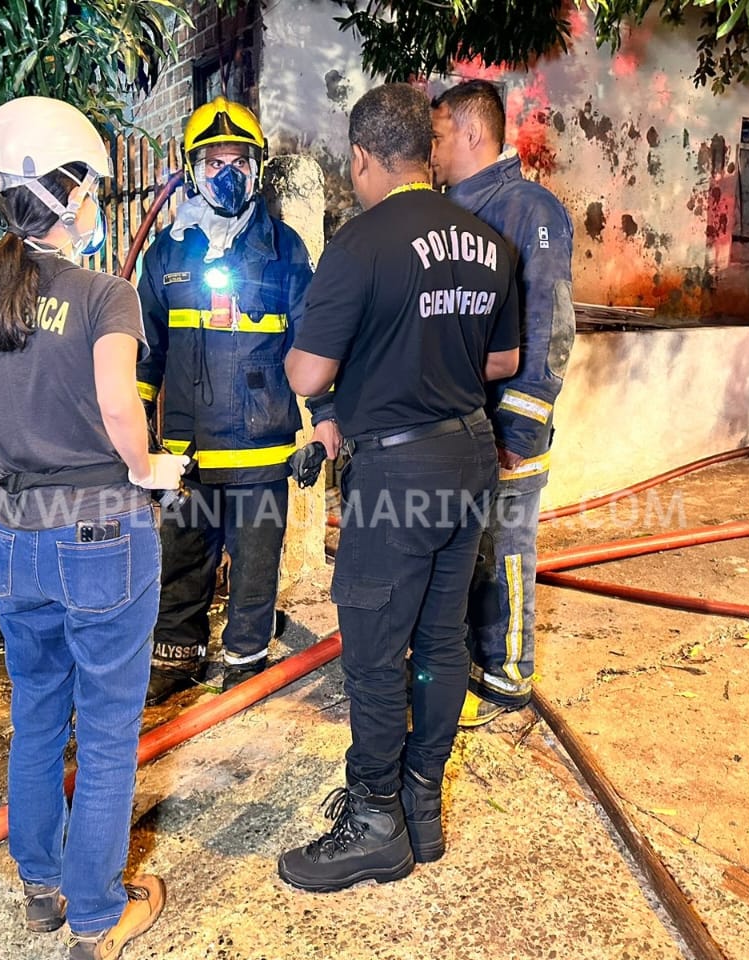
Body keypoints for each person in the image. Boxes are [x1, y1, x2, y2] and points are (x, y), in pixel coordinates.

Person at [0, 96, 188, 960]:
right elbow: (121, 403)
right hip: (102, 536)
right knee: (109, 730)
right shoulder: (105, 296)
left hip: (15, 536)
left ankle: (41, 888)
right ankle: (93, 919)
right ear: (69, 191)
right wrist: (150, 468)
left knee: (38, 716)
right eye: (94, 193)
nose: (96, 208)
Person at [277, 83, 520, 892]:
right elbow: (501, 364)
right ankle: (423, 803)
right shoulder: (489, 241)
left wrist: (361, 380)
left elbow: (309, 370)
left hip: (399, 472)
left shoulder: (360, 244)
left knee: (377, 651)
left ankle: (375, 822)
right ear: (428, 149)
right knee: (443, 638)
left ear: (364, 158)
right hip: (470, 456)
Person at [135, 97, 333, 702]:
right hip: (185, 461)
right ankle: (177, 662)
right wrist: (138, 434)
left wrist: (324, 425)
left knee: (254, 572)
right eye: (214, 161)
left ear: (257, 168)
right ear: (192, 169)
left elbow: (313, 345)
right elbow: (147, 353)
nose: (228, 174)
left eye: (240, 161)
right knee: (182, 567)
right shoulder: (168, 252)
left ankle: (245, 664)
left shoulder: (284, 251)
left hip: (260, 455)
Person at [431, 80, 577, 726]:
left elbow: (551, 323)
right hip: (458, 425)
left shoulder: (529, 211)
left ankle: (507, 674)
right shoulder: (451, 210)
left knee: (506, 544)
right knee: (467, 546)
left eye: (436, 136)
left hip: (505, 424)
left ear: (470, 133)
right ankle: (468, 657)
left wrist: (521, 421)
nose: (428, 149)